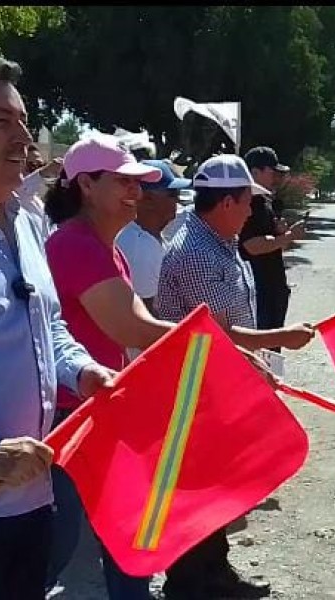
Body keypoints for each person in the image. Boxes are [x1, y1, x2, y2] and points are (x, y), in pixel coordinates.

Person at [0, 51, 114, 600]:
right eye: (0, 122)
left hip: (32, 503)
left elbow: (50, 326)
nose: (24, 137)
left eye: (22, 120)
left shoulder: (25, 221)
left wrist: (83, 371)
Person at [156, 153, 316, 600]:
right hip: (197, 390)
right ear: (227, 202)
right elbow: (219, 333)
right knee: (199, 488)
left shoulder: (215, 239)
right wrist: (274, 341)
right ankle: (191, 583)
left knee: (215, 485)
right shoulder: (195, 253)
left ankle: (214, 571)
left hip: (214, 383)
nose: (252, 211)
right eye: (248, 202)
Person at [43, 134, 175, 600]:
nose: (136, 192)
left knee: (127, 534)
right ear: (85, 185)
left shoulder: (105, 247)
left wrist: (230, 342)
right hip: (69, 417)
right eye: (123, 181)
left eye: (138, 184)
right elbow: (132, 328)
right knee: (55, 548)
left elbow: (143, 324)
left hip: (97, 409)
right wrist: (214, 345)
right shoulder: (75, 246)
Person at [116, 159, 192, 358]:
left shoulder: (146, 237)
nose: (177, 200)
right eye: (172, 194)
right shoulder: (140, 245)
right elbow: (146, 318)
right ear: (147, 198)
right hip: (141, 360)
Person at [241, 146, 306, 336]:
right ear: (255, 172)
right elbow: (251, 245)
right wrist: (289, 236)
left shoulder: (263, 202)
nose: (277, 178)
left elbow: (273, 245)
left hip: (271, 285)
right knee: (263, 346)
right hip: (259, 288)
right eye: (272, 172)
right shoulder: (249, 203)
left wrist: (281, 235)